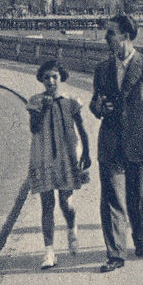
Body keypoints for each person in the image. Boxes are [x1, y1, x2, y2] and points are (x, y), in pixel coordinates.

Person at [90, 14, 143, 273]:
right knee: (112, 199)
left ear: (126, 35)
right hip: (110, 141)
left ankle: (140, 238)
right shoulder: (102, 69)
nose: (106, 37)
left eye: (111, 33)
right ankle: (116, 254)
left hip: (139, 140)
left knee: (139, 198)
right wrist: (99, 107)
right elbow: (95, 103)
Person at [26, 59, 91, 269]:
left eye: (54, 77)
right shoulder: (35, 101)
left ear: (61, 77)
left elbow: (81, 128)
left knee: (66, 203)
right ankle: (49, 253)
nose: (51, 81)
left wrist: (87, 153)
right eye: (46, 78)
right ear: (41, 80)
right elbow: (34, 128)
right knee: (47, 205)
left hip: (66, 156)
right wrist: (44, 108)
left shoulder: (71, 101)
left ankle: (72, 229)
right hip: (43, 157)